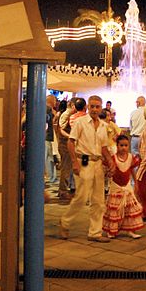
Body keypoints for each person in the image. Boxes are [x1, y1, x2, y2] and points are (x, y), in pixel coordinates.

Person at [59, 95, 112, 242]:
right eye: (92, 106)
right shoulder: (80, 123)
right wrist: (74, 162)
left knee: (98, 200)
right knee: (81, 197)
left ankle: (95, 232)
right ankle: (65, 222)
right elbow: (71, 142)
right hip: (84, 162)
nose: (95, 109)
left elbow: (104, 147)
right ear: (88, 107)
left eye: (97, 106)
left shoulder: (103, 126)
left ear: (101, 108)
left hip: (98, 164)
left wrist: (109, 160)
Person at [102, 134, 144, 239]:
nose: (123, 148)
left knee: (129, 210)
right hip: (116, 187)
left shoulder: (131, 158)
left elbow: (133, 171)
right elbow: (107, 171)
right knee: (114, 210)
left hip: (127, 186)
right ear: (117, 145)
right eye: (121, 145)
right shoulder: (113, 158)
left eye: (126, 145)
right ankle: (112, 230)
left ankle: (131, 230)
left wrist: (136, 183)